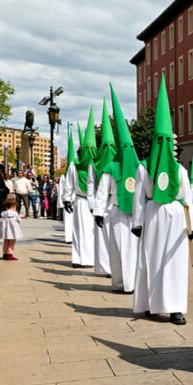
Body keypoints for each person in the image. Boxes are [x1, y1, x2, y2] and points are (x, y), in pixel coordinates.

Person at [132, 75, 193, 325]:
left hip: (176, 218)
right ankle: (150, 303)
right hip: (153, 215)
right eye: (161, 141)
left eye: (168, 141)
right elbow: (139, 197)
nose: (165, 145)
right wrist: (137, 223)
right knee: (152, 259)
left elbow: (188, 199)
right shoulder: (144, 168)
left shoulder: (180, 170)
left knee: (175, 262)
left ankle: (176, 307)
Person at [94, 83, 142, 294]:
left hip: (136, 213)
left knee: (134, 249)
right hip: (116, 210)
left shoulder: (140, 166)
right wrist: (98, 211)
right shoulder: (111, 167)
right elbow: (103, 190)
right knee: (118, 248)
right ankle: (121, 282)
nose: (127, 150)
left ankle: (134, 283)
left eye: (129, 147)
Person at [62, 115, 97, 267]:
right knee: (79, 230)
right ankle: (78, 258)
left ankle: (92, 258)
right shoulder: (74, 165)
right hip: (81, 201)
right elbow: (69, 184)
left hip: (95, 202)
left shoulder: (98, 165)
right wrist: (67, 199)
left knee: (92, 231)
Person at [89, 100, 117, 277]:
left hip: (114, 203)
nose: (108, 149)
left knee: (113, 239)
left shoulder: (118, 163)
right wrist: (94, 206)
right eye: (105, 146)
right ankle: (104, 267)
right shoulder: (94, 164)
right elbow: (92, 184)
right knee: (102, 237)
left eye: (111, 146)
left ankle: (114, 267)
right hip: (101, 203)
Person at [0, 194, 22, 261]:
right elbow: (19, 220)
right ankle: (9, 254)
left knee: (5, 242)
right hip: (13, 231)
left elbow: (0, 222)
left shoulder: (3, 213)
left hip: (5, 231)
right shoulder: (14, 213)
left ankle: (5, 254)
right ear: (13, 206)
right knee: (12, 242)